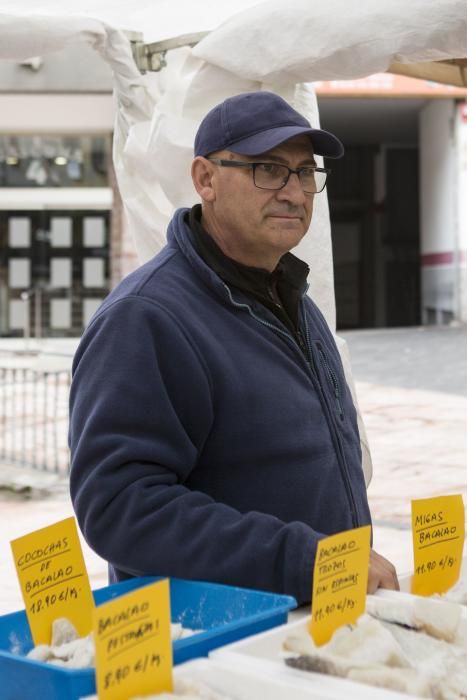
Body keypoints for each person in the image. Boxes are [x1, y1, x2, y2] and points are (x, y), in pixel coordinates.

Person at [69, 90, 398, 604]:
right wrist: (301, 561)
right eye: (268, 169)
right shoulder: (148, 317)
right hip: (220, 647)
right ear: (205, 179)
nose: (294, 192)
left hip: (311, 624)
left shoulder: (291, 298)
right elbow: (121, 509)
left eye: (305, 173)